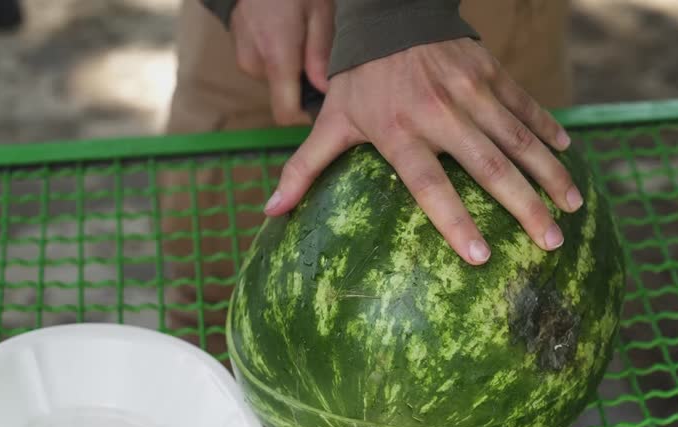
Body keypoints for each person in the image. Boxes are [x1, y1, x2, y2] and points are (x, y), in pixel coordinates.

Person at [161, 0, 578, 356]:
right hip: (284, 20)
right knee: (222, 309)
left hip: (476, 25)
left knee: (519, 314)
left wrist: (399, 18)